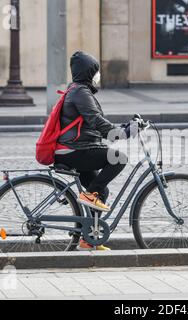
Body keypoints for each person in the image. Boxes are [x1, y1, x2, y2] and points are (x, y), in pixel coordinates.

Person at [54, 51, 134, 250]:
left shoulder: (78, 90)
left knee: (102, 191)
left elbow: (94, 121)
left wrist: (123, 128)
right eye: (95, 72)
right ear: (88, 73)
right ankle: (90, 194)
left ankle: (88, 239)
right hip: (74, 150)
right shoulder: (80, 92)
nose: (97, 76)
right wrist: (121, 134)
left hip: (78, 148)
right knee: (118, 158)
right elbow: (96, 121)